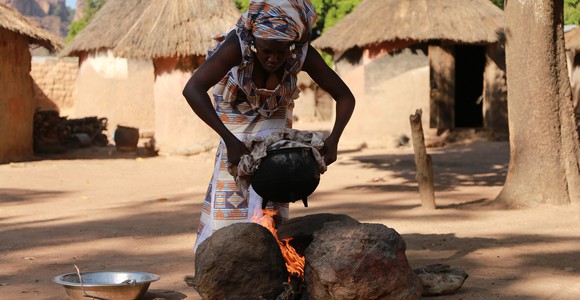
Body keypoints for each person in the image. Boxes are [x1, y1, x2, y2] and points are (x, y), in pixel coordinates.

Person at [183, 0, 355, 250]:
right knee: (228, 213)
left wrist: (334, 139)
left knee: (273, 206)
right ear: (254, 43)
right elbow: (192, 89)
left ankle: (274, 270)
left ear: (292, 46)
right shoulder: (236, 46)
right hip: (235, 131)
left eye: (281, 52)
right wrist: (229, 140)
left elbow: (345, 96)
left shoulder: (301, 54)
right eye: (266, 50)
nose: (273, 58)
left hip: (276, 140)